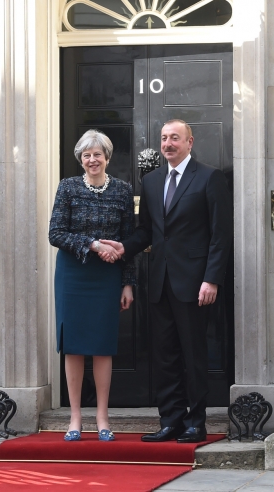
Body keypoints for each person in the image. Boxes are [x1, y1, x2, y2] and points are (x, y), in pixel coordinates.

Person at [101, 119, 232, 443]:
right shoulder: (152, 180)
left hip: (194, 283)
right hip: (159, 282)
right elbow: (146, 230)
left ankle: (195, 421)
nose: (168, 143)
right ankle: (170, 419)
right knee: (164, 356)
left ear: (190, 141)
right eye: (164, 138)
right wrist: (124, 247)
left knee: (193, 354)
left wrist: (211, 279)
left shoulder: (209, 177)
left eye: (175, 138)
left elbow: (220, 235)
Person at [48, 129, 136, 442]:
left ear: (107, 157)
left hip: (107, 277)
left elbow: (129, 242)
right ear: (81, 159)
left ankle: (102, 416)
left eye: (97, 154)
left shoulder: (123, 191)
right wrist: (94, 244)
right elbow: (55, 233)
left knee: (101, 345)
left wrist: (128, 283)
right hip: (74, 274)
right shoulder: (68, 187)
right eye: (86, 154)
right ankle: (74, 417)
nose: (92, 159)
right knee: (73, 345)